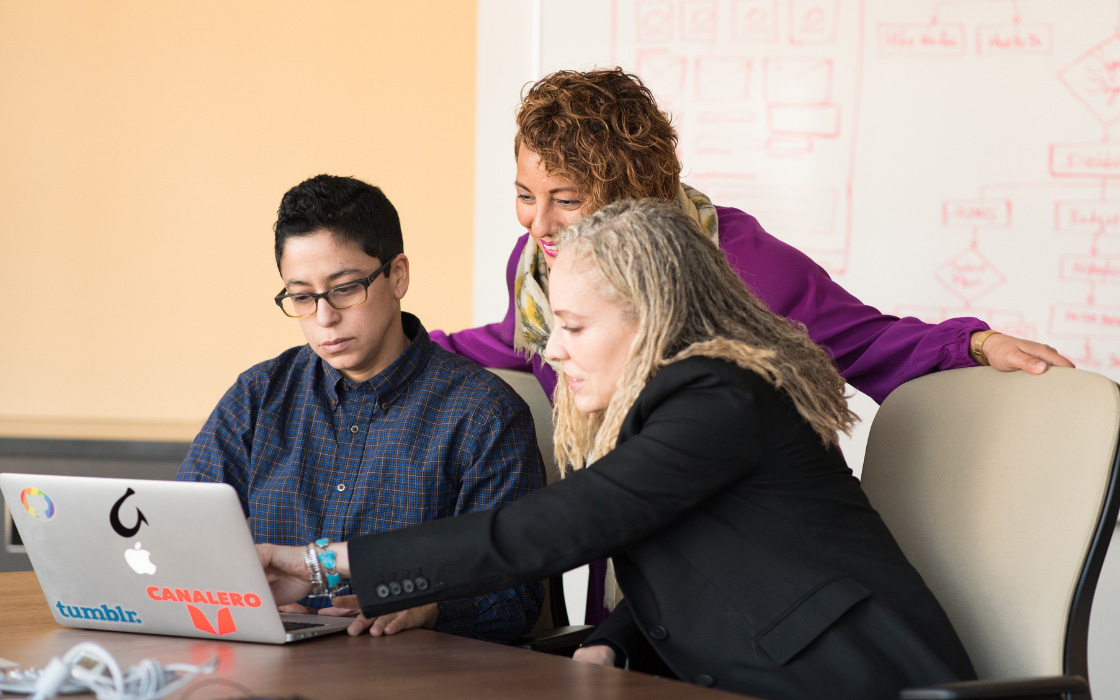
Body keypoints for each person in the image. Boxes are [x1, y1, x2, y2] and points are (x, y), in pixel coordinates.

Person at [257, 199, 977, 700]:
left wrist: (324, 563)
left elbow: (552, 528)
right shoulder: (675, 406)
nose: (553, 353)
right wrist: (613, 644)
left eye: (571, 327)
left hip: (854, 685)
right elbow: (708, 560)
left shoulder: (718, 399)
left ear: (650, 316)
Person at [428, 67, 1074, 623]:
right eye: (523, 195)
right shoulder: (540, 266)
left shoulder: (743, 263)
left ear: (630, 192)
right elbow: (522, 344)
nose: (538, 223)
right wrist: (408, 347)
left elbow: (866, 341)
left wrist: (977, 344)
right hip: (639, 572)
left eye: (565, 200)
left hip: (748, 579)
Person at [177, 174, 546, 643]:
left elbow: (515, 600)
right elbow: (183, 538)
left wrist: (431, 608)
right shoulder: (259, 396)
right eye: (301, 297)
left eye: (345, 288)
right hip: (269, 665)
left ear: (397, 276)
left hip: (410, 675)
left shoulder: (483, 414)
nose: (324, 317)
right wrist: (243, 599)